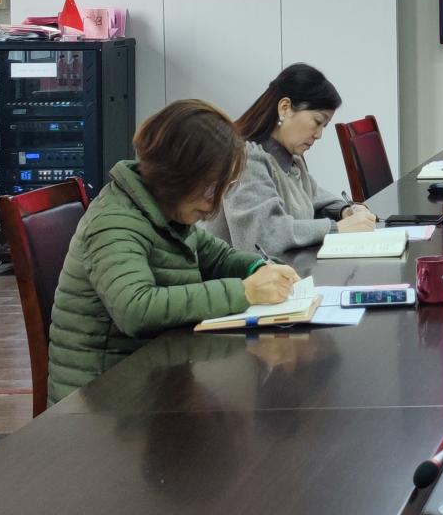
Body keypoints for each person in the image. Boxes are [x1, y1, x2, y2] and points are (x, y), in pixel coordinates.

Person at [47, 100, 302, 404]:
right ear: (176, 175)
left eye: (223, 188)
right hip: (104, 402)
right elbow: (136, 309)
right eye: (210, 189)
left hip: (152, 379)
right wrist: (245, 292)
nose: (215, 204)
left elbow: (219, 258)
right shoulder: (114, 222)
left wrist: (258, 268)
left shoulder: (165, 212)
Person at [201, 63, 375, 258]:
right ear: (284, 108)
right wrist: (337, 228)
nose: (318, 135)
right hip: (245, 276)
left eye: (324, 126)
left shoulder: (291, 159)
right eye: (317, 121)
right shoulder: (245, 159)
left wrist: (345, 211)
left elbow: (317, 199)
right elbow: (265, 236)